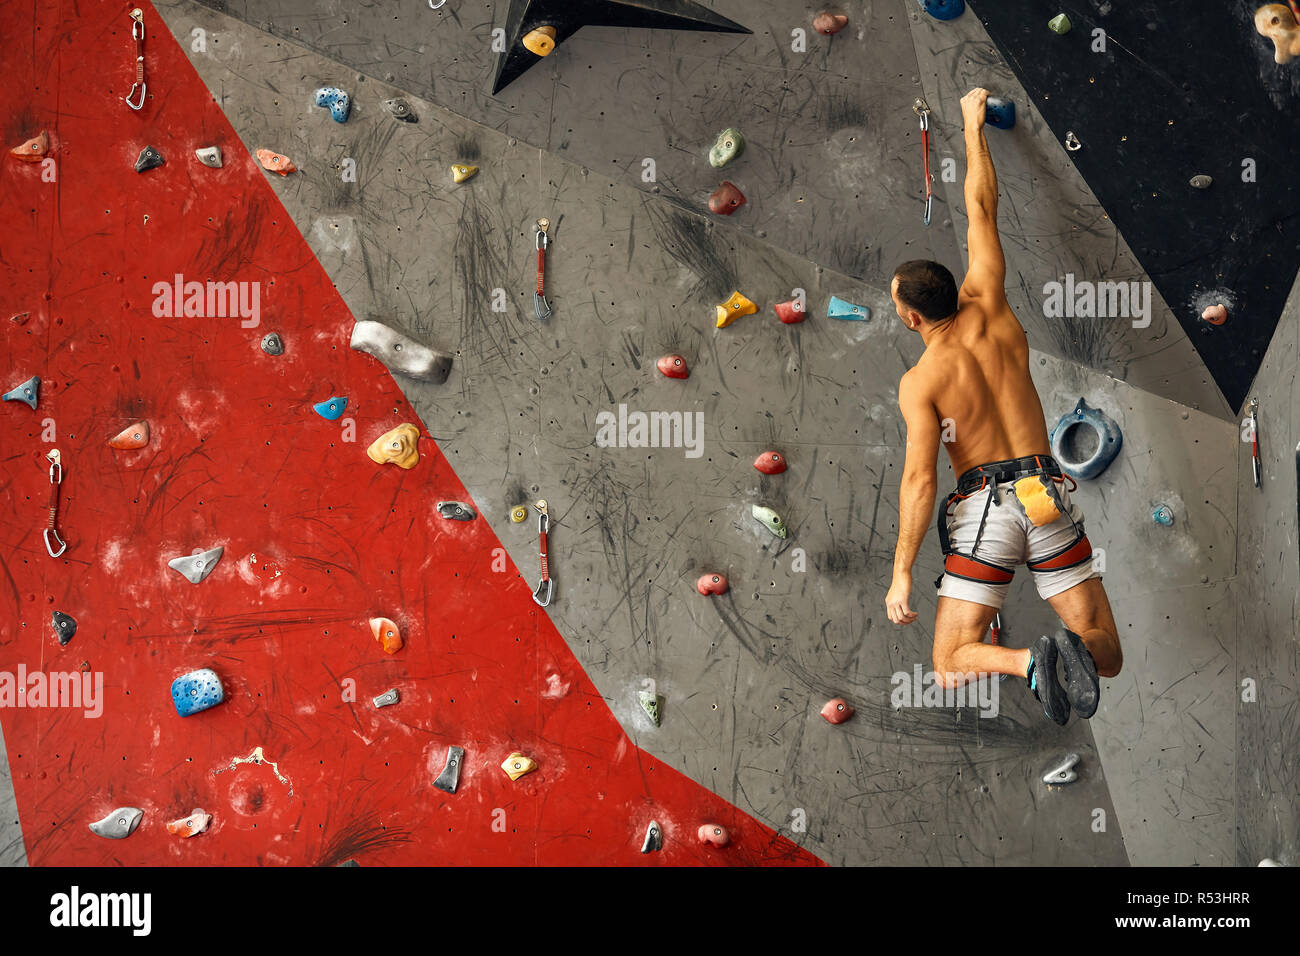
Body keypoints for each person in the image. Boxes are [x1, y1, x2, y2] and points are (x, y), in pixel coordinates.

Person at [884, 87, 1123, 725]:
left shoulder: (921, 380)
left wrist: (903, 572)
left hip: (987, 508)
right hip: (1046, 492)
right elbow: (980, 207)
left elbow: (919, 479)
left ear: (912, 317)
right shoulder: (987, 297)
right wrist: (972, 125)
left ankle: (1027, 663)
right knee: (1106, 652)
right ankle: (1063, 652)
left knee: (950, 662)